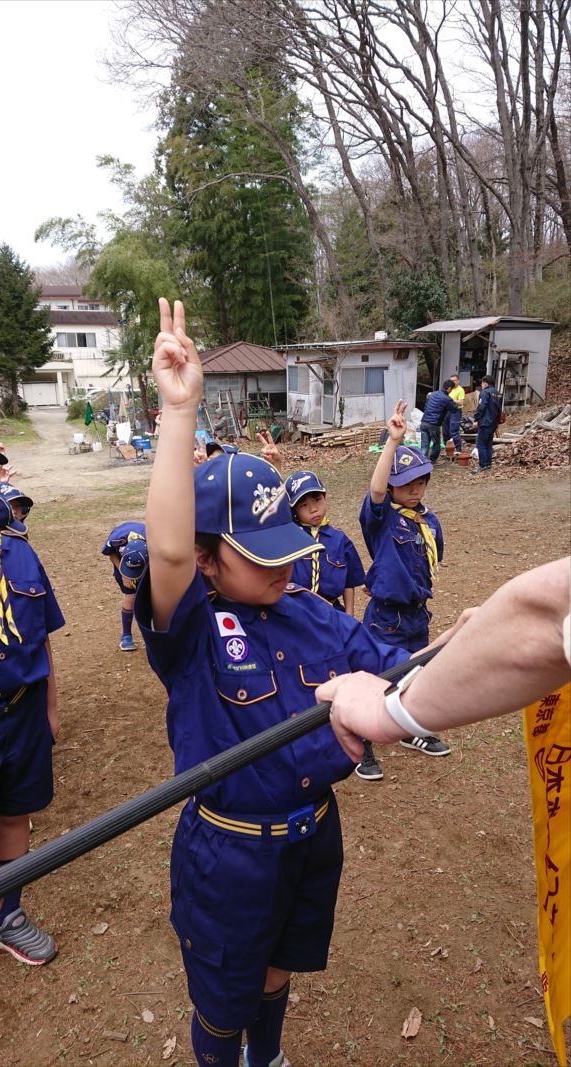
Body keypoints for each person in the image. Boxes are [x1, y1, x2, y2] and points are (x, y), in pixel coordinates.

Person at [135, 298, 413, 1067]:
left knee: (280, 969)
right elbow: (164, 552)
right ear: (210, 559)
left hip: (311, 834)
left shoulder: (311, 612)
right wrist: (179, 410)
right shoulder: (190, 631)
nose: (285, 561)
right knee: (222, 1003)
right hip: (229, 855)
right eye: (258, 551)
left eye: (286, 542)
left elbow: (393, 672)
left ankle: (271, 1056)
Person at [0, 431, 64, 984]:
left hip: (25, 713)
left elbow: (44, 639)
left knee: (16, 813)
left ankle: (6, 913)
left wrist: (51, 706)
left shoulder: (20, 553)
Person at [316, 555, 570, 757]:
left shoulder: (318, 616)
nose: (285, 570)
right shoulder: (313, 608)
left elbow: (398, 667)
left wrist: (452, 638)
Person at [356, 400, 451, 781]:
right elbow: (376, 492)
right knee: (376, 674)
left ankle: (413, 731)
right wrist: (393, 443)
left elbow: (430, 561)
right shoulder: (382, 520)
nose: (414, 490)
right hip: (386, 615)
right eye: (405, 484)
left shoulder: (429, 521)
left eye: (419, 482)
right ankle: (362, 744)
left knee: (416, 673)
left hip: (416, 612)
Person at [285, 470, 365, 616]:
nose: (313, 509)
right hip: (297, 613)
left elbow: (349, 582)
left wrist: (349, 614)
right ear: (294, 510)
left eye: (317, 499)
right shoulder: (290, 537)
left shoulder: (339, 539)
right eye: (303, 505)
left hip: (332, 612)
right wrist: (275, 465)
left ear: (325, 497)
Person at [101, 522, 148, 651]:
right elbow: (111, 555)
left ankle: (149, 635)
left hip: (148, 566)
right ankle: (126, 635)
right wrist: (124, 574)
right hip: (124, 565)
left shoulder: (154, 541)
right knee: (131, 596)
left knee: (149, 598)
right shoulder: (116, 539)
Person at [420, 381, 460, 462]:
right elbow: (454, 409)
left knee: (424, 444)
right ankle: (433, 459)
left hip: (424, 422)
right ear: (449, 388)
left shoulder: (433, 394)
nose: (451, 391)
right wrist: (455, 402)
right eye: (451, 389)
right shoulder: (447, 399)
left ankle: (422, 462)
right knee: (436, 443)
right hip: (434, 424)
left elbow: (425, 406)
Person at [471, 374, 502, 473]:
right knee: (488, 443)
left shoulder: (485, 392)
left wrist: (476, 419)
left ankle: (482, 465)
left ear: (485, 383)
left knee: (481, 444)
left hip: (485, 421)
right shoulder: (497, 393)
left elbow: (482, 407)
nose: (481, 385)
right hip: (494, 422)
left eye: (482, 383)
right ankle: (488, 464)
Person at [442, 374, 465, 453]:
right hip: (447, 411)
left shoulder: (460, 390)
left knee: (454, 430)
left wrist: (451, 400)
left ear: (458, 381)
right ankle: (447, 448)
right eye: (451, 380)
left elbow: (461, 402)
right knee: (445, 430)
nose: (453, 382)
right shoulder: (448, 389)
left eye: (454, 380)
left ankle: (458, 448)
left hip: (455, 411)